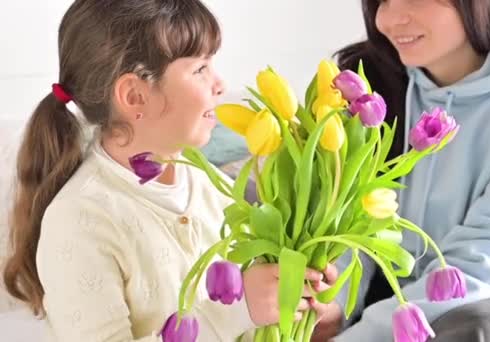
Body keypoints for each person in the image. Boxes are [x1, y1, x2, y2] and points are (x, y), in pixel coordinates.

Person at [2, 1, 334, 341]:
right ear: (134, 96)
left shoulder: (214, 187)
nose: (220, 84)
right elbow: (234, 316)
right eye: (200, 69)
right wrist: (238, 312)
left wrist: (291, 301)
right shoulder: (78, 220)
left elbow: (251, 317)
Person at [314, 0, 490, 341]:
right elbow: (350, 222)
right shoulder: (369, 85)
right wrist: (336, 307)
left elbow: (483, 266)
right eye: (383, 0)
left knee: (475, 328)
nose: (390, 19)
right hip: (401, 295)